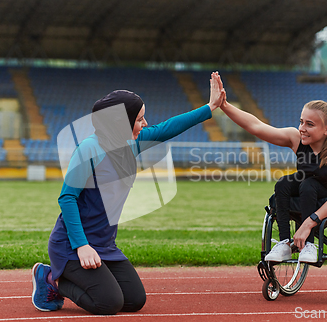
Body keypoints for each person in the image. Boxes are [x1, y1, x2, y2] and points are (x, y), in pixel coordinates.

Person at [31, 72, 226, 315]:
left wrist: (210, 107)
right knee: (108, 303)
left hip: (104, 244)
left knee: (134, 300)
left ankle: (81, 276)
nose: (145, 124)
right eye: (140, 119)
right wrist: (81, 245)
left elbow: (167, 128)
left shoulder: (131, 142)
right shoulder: (89, 149)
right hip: (71, 246)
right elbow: (67, 198)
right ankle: (51, 278)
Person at [218, 77, 327, 263]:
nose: (302, 129)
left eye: (310, 124)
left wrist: (308, 224)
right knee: (284, 183)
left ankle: (309, 245)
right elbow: (256, 126)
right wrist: (225, 105)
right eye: (301, 122)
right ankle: (284, 243)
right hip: (306, 191)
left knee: (308, 184)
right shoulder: (296, 138)